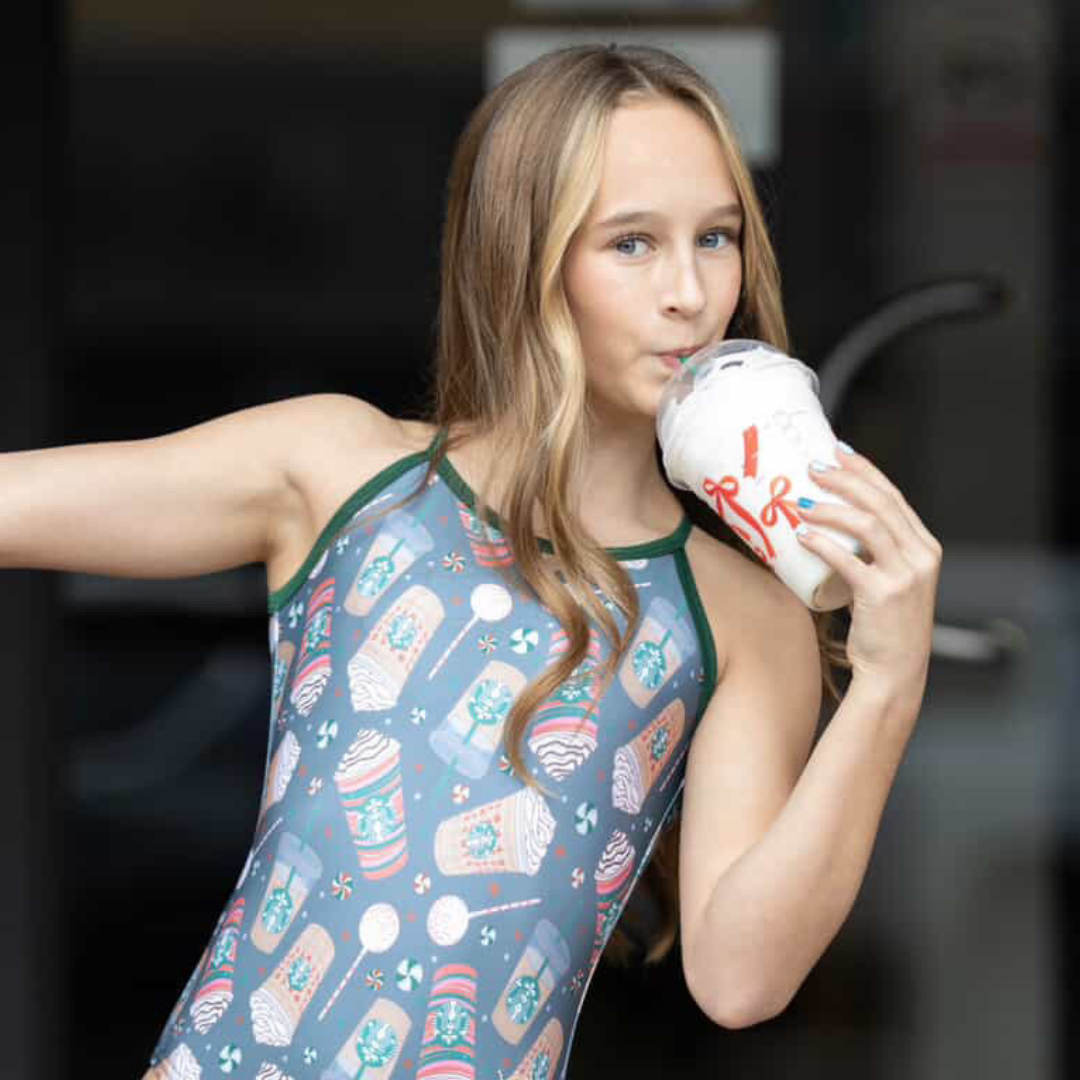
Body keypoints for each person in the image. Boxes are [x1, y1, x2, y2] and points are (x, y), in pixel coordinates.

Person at [2, 44, 941, 1080]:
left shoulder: (740, 614)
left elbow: (740, 979)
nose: (689, 291)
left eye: (715, 237)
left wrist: (888, 685)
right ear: (525, 256)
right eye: (632, 242)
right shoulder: (344, 473)